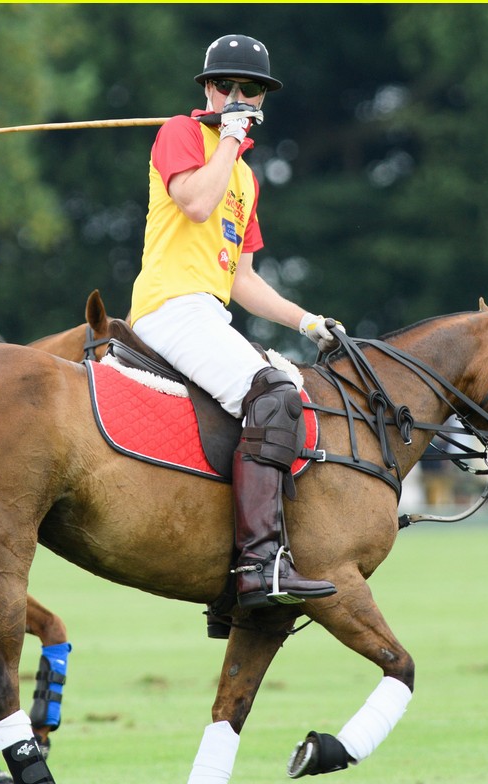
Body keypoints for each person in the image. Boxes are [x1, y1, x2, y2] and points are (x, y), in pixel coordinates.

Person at [128, 35, 340, 611]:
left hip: (207, 310)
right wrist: (226, 139)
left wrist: (307, 322)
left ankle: (232, 570)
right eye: (227, 86)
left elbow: (241, 279)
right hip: (169, 304)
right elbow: (194, 204)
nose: (239, 96)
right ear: (208, 90)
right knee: (271, 394)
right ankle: (258, 565)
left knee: (291, 391)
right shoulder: (180, 133)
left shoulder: (246, 179)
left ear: (264, 100)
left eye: (251, 90)